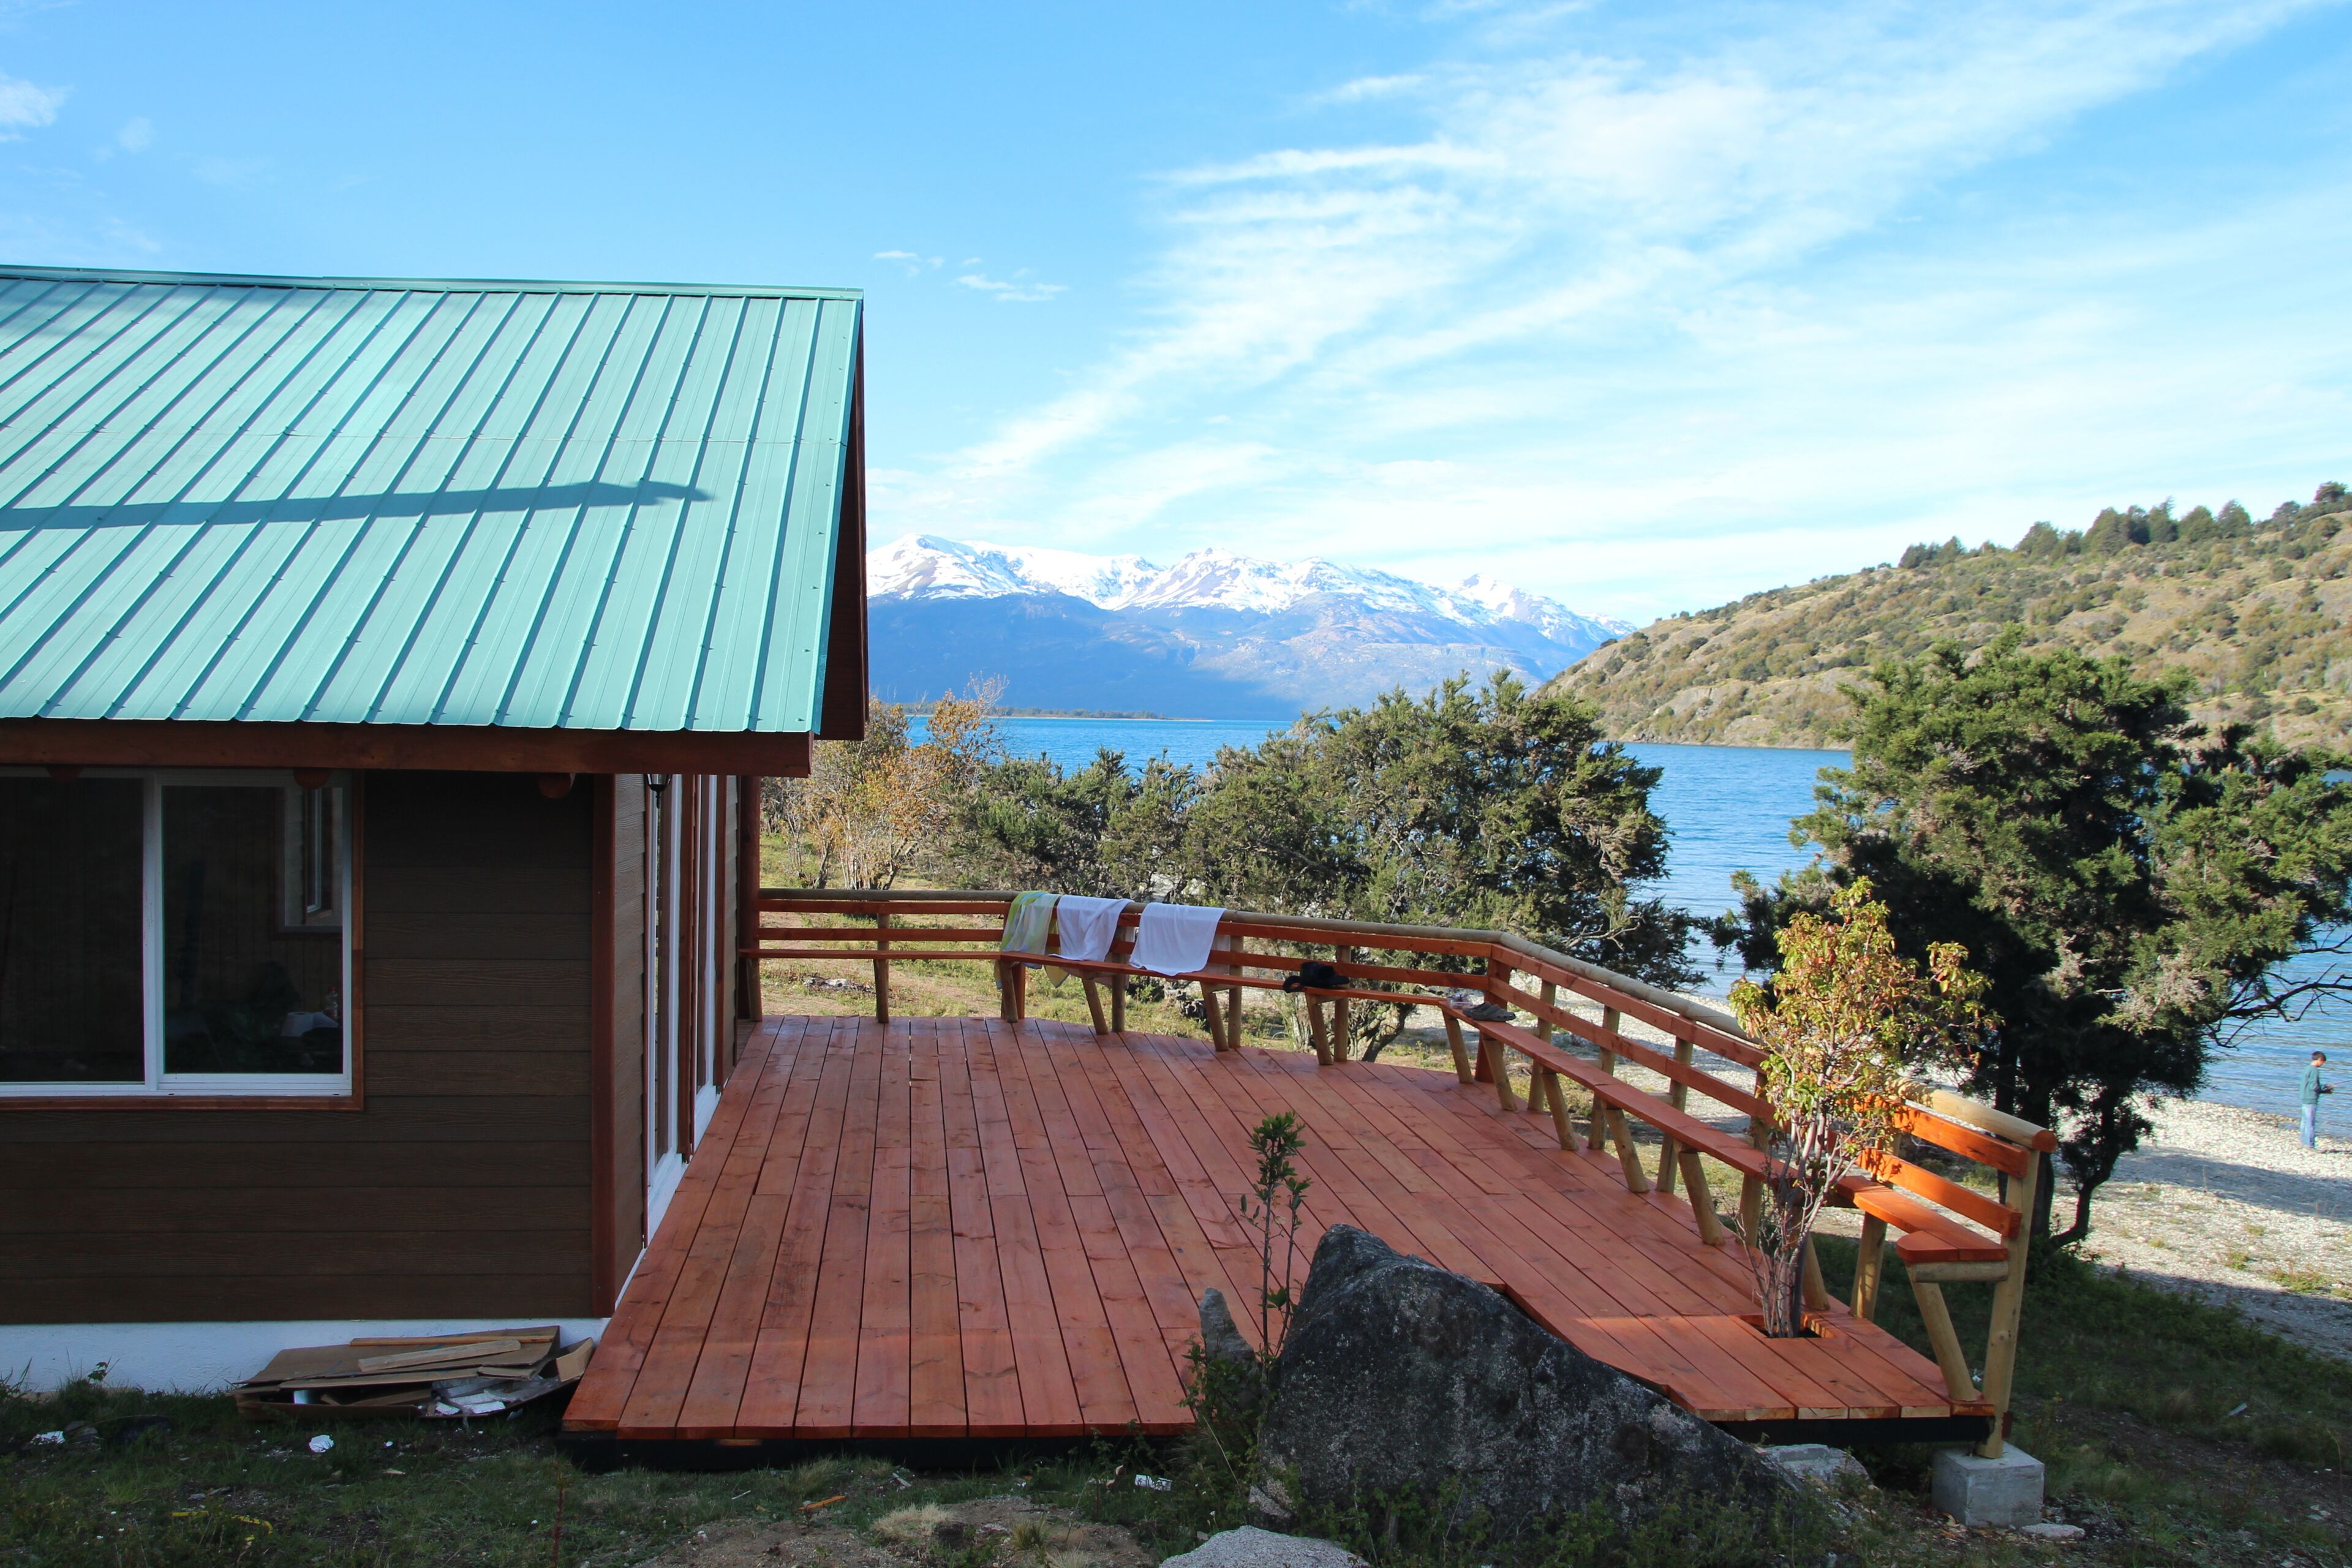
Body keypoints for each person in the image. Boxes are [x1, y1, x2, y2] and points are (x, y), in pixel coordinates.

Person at [2302, 1051, 2334, 1150]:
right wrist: (2325, 1089)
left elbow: (2309, 1085)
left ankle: (2304, 1142)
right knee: (2310, 1123)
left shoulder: (2306, 1069)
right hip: (2311, 1098)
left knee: (2305, 1122)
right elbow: (2314, 1087)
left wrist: (2324, 1087)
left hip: (2304, 1097)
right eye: (2323, 1062)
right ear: (2320, 1060)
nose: (2322, 1065)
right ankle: (2310, 1145)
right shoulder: (2314, 1070)